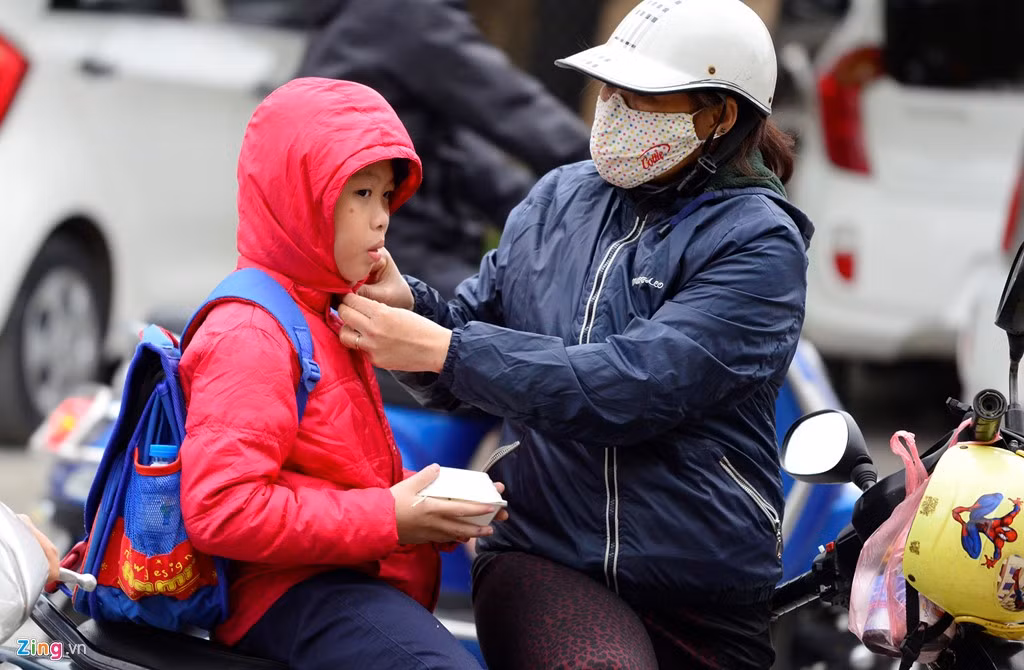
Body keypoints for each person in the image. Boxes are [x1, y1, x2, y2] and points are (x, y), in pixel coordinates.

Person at [332, 0, 815, 667]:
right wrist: (414, 308)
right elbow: (471, 350)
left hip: (706, 585)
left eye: (640, 96)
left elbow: (635, 384)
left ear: (720, 117)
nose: (612, 106)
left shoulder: (760, 243)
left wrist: (447, 348)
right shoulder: (557, 198)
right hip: (547, 555)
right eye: (610, 87)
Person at [176, 77, 505, 670]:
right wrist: (391, 517)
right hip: (283, 592)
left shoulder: (325, 308)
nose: (381, 220)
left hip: (339, 576)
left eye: (386, 197)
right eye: (359, 194)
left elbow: (331, 466)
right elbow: (222, 508)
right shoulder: (253, 331)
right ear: (299, 196)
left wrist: (431, 508)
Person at [296, 0, 592, 299]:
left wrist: (539, 213)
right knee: (526, 314)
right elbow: (514, 108)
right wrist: (604, 165)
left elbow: (461, 154)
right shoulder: (405, 13)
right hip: (393, 245)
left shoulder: (353, 19)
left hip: (359, 239)